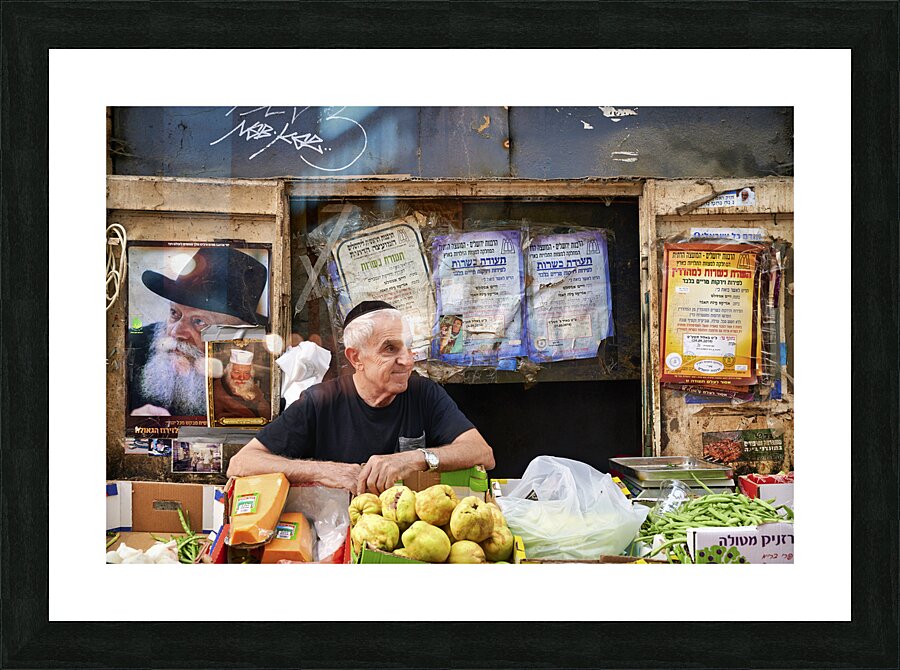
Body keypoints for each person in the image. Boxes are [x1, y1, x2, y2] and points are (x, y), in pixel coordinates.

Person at [227, 301, 495, 494]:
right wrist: (327, 471)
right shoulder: (321, 401)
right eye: (390, 349)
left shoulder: (423, 393)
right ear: (356, 358)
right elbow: (242, 463)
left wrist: (414, 459)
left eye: (408, 348)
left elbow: (483, 453)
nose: (406, 360)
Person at [127, 246, 269, 417]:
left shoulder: (261, 366)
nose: (175, 332)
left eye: (198, 322)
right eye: (174, 313)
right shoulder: (132, 347)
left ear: (236, 333)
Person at [211, 349, 270, 419]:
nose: (242, 377)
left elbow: (266, 412)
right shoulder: (217, 389)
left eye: (246, 373)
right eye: (237, 372)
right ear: (229, 372)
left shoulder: (253, 387)